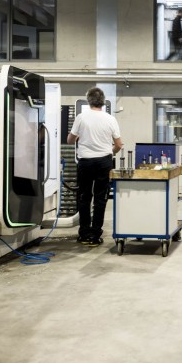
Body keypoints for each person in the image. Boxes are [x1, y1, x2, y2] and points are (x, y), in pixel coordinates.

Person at [68, 88, 123, 246]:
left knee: (84, 197)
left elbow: (70, 140)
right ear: (103, 101)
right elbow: (119, 144)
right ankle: (95, 235)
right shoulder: (110, 119)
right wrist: (109, 153)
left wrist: (77, 136)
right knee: (100, 198)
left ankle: (84, 234)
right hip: (104, 162)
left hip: (85, 162)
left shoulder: (81, 117)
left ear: (88, 100)